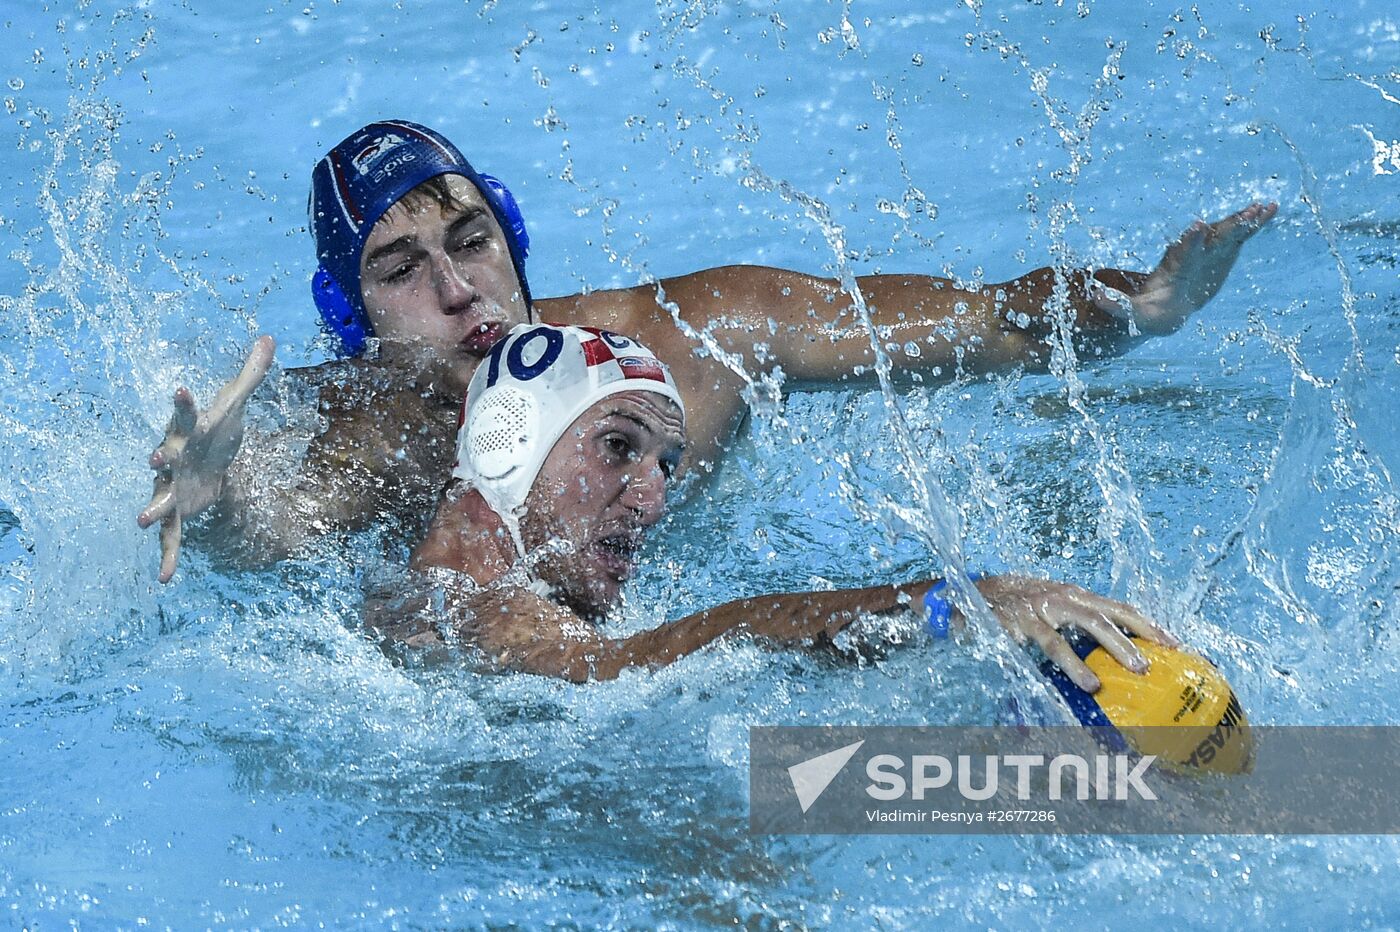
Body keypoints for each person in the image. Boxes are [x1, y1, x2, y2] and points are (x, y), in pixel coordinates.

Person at [137, 119, 1277, 582]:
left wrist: (1143, 302)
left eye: (471, 238)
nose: (455, 287)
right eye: (400, 271)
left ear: (510, 237)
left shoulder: (685, 334)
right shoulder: (368, 425)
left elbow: (987, 320)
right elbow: (273, 523)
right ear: (357, 319)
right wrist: (217, 490)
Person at [373, 323, 1175, 691]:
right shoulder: (472, 597)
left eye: (667, 464)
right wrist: (946, 605)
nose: (652, 498)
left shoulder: (488, 575)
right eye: (619, 447)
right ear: (508, 445)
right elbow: (622, 668)